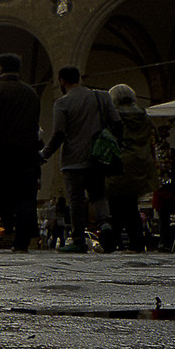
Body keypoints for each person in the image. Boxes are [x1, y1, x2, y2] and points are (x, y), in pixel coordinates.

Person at [41, 66, 117, 252]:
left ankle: (78, 240)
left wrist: (45, 154)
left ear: (61, 81)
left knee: (76, 200)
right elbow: (116, 122)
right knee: (98, 195)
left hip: (73, 160)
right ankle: (105, 225)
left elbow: (59, 133)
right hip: (97, 158)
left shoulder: (62, 103)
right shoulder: (102, 96)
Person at [0, 54, 42, 253]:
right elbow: (34, 126)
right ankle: (21, 244)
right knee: (25, 200)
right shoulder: (31, 93)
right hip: (26, 155)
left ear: (1, 68)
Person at [102, 84, 154, 251]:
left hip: (118, 163)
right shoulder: (144, 117)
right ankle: (136, 242)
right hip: (139, 164)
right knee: (131, 204)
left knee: (115, 205)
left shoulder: (113, 117)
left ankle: (112, 243)